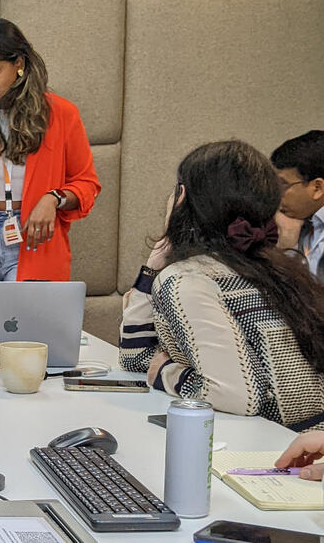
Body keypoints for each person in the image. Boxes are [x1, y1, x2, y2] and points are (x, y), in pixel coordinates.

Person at [120, 140, 324, 431]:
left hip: (272, 456)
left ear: (183, 199)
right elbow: (137, 358)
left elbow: (237, 397)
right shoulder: (277, 267)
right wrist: (155, 264)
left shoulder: (189, 279)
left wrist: (170, 375)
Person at [0, 18, 101, 281]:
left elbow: (87, 184)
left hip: (34, 243)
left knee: (28, 322)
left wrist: (53, 198)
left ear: (19, 64)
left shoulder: (60, 115)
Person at [270, 131, 324, 277]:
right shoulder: (299, 224)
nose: (276, 195)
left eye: (283, 185)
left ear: (317, 188)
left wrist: (288, 251)